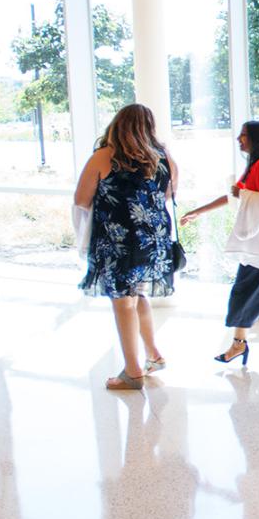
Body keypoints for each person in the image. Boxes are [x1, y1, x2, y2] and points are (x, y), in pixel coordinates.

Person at [179, 121, 259, 365]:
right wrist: (198, 212)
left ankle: (238, 343)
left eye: (243, 135)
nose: (238, 140)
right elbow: (234, 195)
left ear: (255, 138)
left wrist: (240, 194)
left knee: (246, 286)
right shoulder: (255, 165)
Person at [74, 104, 177, 390]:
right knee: (137, 295)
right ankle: (153, 355)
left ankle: (132, 371)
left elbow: (81, 199)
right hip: (153, 239)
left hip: (119, 241)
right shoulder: (163, 157)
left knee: (123, 303)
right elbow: (169, 194)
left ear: (117, 125)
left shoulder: (105, 156)